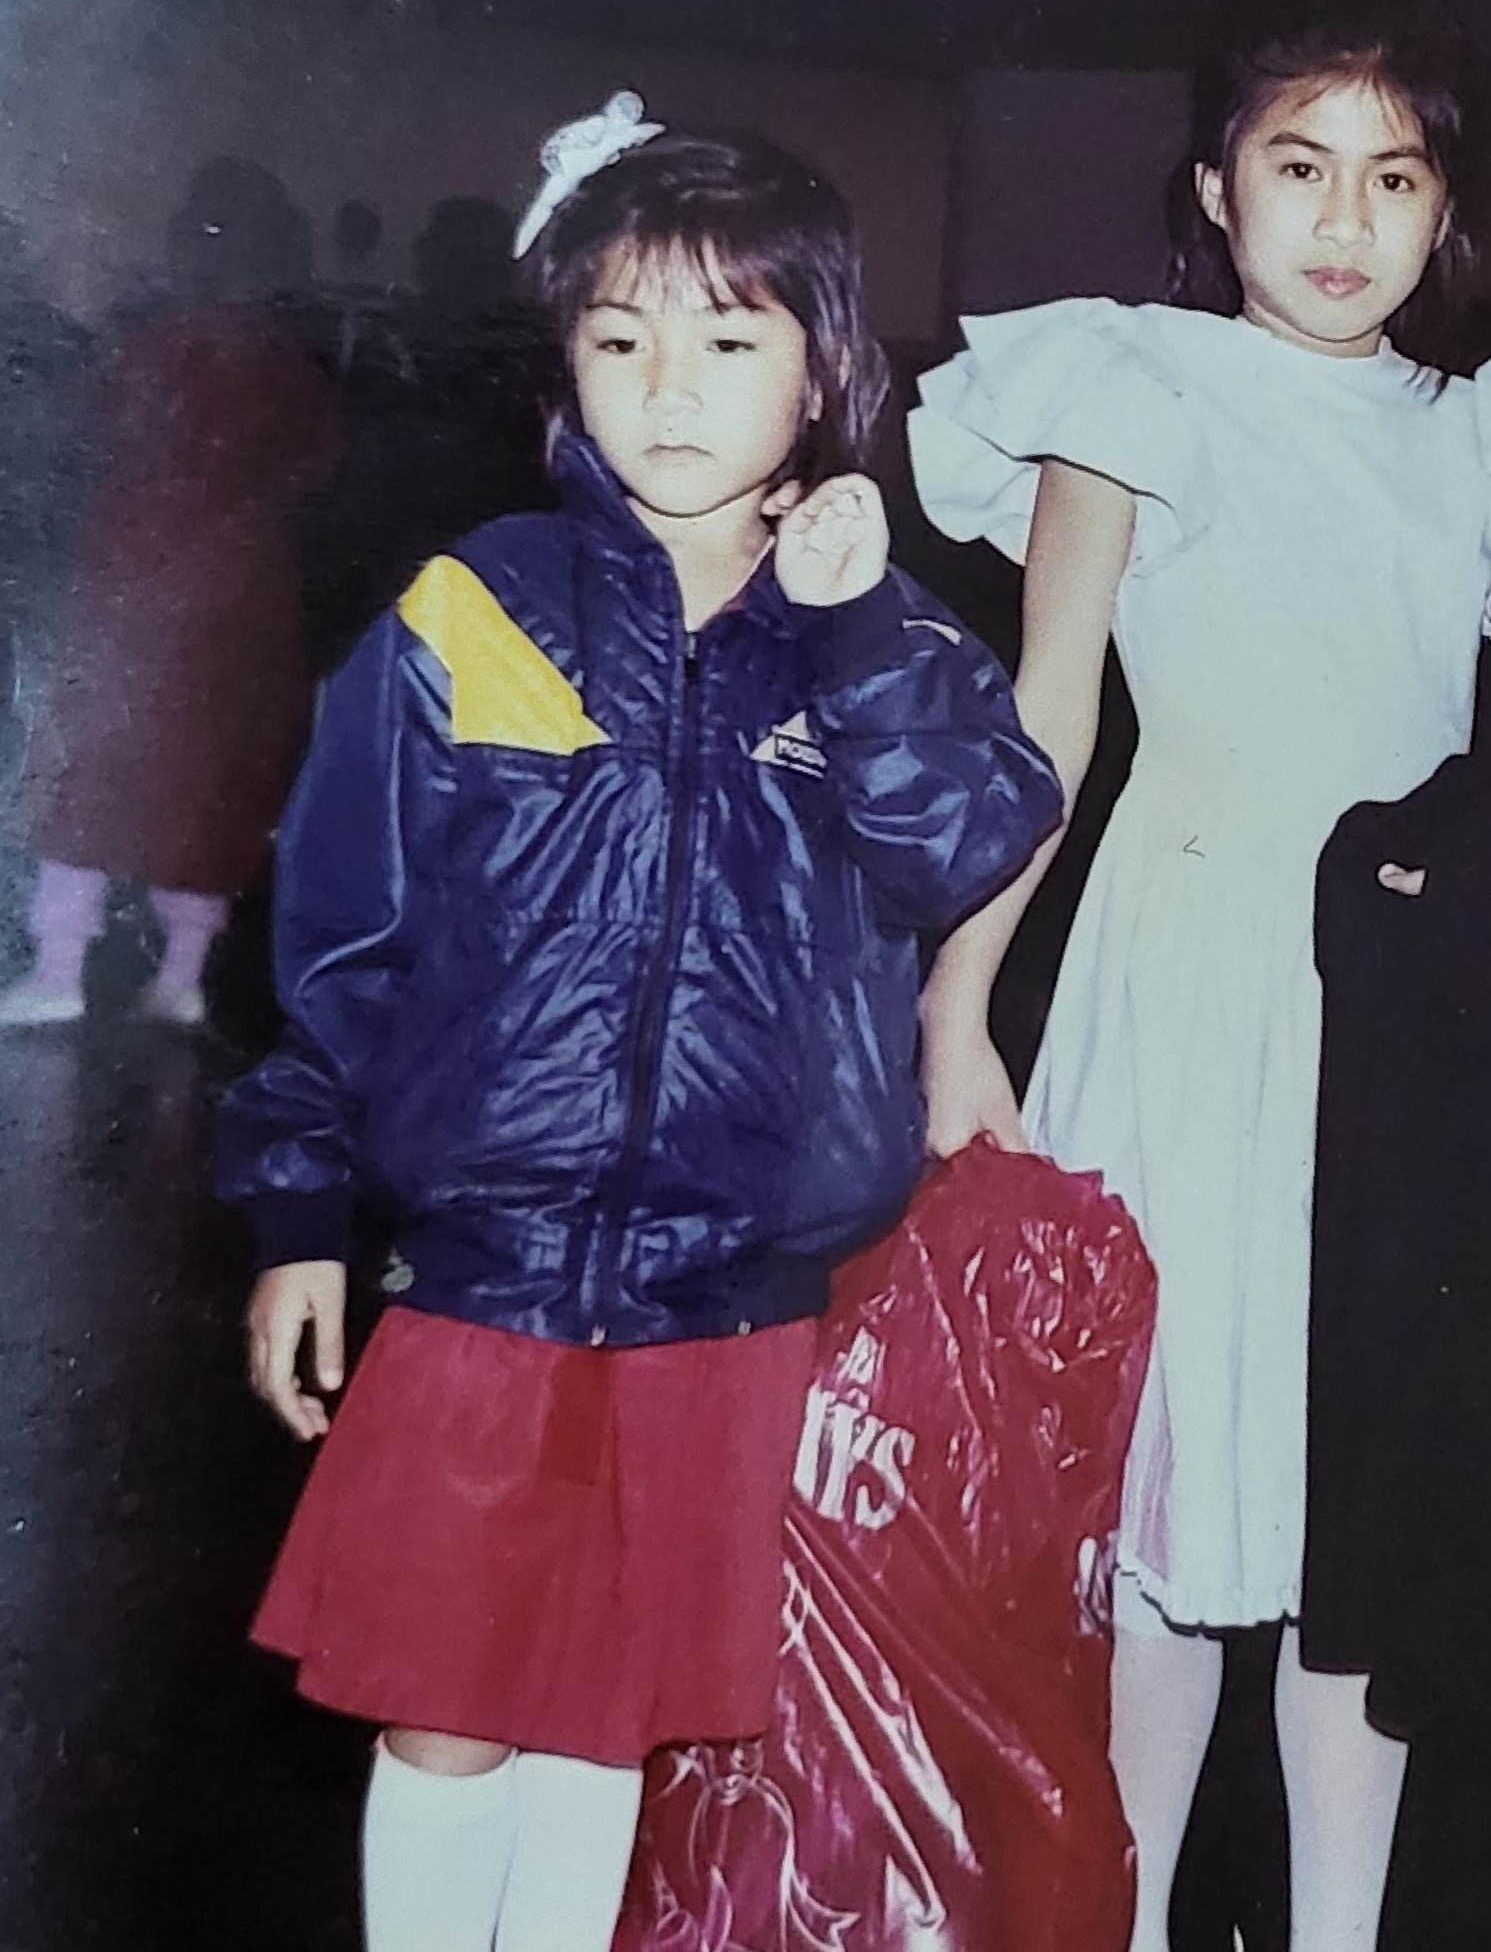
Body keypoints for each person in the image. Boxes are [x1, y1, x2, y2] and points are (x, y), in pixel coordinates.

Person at [214, 98, 1062, 1952]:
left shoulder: (874, 637)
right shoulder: (471, 611)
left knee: (610, 1716)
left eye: (730, 339)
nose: (670, 387)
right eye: (622, 340)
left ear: (824, 367)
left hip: (722, 1295)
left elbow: (974, 835)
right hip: (482, 1277)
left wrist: (847, 633)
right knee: (446, 1703)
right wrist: (299, 1211)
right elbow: (339, 936)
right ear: (568, 361)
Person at [907, 0, 1491, 1952]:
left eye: (1394, 179)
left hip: (1405, 1025)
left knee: (1357, 1509)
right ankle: (1116, 1922)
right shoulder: (1131, 389)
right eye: (1298, 167)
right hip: (1190, 977)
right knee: (1170, 1513)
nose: (1344, 221)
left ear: (1444, 209)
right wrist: (962, 998)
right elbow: (1044, 722)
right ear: (1215, 188)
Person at [1, 157, 335, 1030]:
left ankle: (60, 965)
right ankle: (183, 969)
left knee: (93, 770)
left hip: (139, 566)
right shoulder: (284, 362)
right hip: (243, 578)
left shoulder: (157, 342)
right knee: (210, 781)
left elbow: (99, 423)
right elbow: (312, 462)